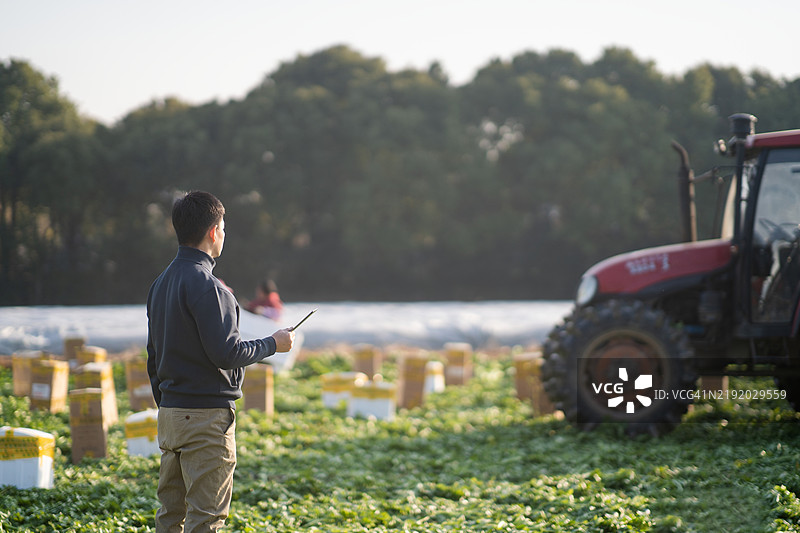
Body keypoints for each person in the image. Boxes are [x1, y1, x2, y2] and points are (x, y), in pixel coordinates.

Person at [146, 191, 294, 532]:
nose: (224, 234)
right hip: (205, 420)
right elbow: (227, 354)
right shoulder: (210, 288)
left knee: (170, 515)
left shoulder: (160, 284)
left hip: (170, 415)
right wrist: (274, 343)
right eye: (223, 227)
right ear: (214, 231)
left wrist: (167, 404)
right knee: (206, 518)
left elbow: (153, 356)